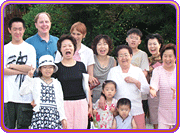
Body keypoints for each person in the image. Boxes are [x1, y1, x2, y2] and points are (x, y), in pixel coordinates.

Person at [105, 45, 149, 129]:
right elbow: (108, 90)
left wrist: (135, 82)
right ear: (117, 58)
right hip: (118, 112)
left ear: (131, 56)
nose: (123, 58)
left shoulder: (138, 71)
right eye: (120, 56)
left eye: (126, 55)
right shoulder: (113, 71)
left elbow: (146, 90)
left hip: (136, 110)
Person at [53, 34, 92, 129]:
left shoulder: (81, 65)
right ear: (60, 50)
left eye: (70, 46)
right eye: (64, 46)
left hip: (81, 103)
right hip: (64, 104)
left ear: (74, 49)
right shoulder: (56, 68)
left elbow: (86, 85)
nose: (67, 48)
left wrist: (89, 103)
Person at [4, 17, 36, 129]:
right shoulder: (4, 49)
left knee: (24, 127)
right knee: (8, 127)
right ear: (9, 30)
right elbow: (3, 71)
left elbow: (31, 69)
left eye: (20, 29)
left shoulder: (30, 48)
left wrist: (12, 66)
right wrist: (21, 70)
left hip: (25, 97)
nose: (18, 32)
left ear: (24, 30)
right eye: (15, 29)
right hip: (7, 96)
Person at [19, 55, 67, 129]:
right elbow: (22, 91)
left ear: (53, 69)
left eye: (50, 67)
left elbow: (60, 102)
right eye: (44, 67)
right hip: (39, 116)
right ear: (40, 69)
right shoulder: (35, 81)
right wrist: (29, 78)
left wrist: (63, 118)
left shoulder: (56, 83)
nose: (47, 70)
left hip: (54, 116)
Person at [149, 43, 176, 129]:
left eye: (170, 56)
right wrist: (153, 90)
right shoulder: (157, 70)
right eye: (165, 56)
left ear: (176, 57)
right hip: (164, 111)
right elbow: (154, 84)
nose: (167, 59)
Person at [126, 28, 149, 120]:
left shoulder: (143, 54)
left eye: (136, 38)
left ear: (139, 41)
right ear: (127, 39)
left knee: (139, 119)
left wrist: (134, 80)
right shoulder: (123, 53)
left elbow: (145, 72)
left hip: (139, 90)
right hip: (126, 90)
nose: (133, 40)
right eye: (131, 37)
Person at [25, 12, 58, 76]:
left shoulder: (57, 41)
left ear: (50, 24)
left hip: (54, 81)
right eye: (41, 22)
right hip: (35, 81)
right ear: (36, 25)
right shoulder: (28, 43)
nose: (44, 24)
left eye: (46, 22)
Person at [145, 33, 164, 129]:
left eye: (154, 44)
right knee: (155, 119)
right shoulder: (146, 60)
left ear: (160, 45)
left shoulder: (167, 58)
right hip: (152, 94)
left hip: (166, 92)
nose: (152, 46)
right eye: (150, 44)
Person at [91, 34, 116, 103]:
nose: (102, 47)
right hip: (92, 96)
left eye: (105, 44)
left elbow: (113, 81)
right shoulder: (91, 59)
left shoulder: (112, 60)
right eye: (99, 44)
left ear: (109, 46)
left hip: (108, 97)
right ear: (95, 47)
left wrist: (104, 96)